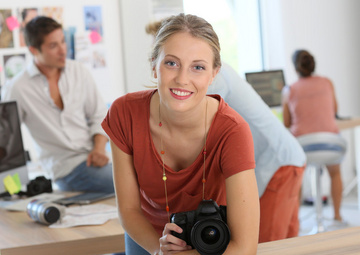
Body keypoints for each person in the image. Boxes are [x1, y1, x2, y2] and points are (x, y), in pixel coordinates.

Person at [102, 14, 259, 255]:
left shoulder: (233, 131)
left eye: (198, 67)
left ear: (214, 74)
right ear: (154, 65)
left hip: (209, 243)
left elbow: (245, 253)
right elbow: (129, 210)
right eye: (172, 63)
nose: (182, 79)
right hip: (147, 234)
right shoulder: (124, 113)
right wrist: (159, 253)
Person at [145, 20, 307, 243]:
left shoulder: (210, 79)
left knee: (265, 246)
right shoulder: (207, 72)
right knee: (285, 246)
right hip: (285, 155)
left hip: (276, 161)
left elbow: (197, 133)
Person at [2, 16, 113, 194]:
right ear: (33, 50)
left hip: (94, 159)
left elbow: (100, 114)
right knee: (129, 184)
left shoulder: (79, 72)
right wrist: (4, 188)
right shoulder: (18, 88)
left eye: (62, 41)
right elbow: (7, 140)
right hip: (65, 168)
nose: (63, 50)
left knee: (142, 174)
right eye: (53, 46)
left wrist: (99, 148)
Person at [282, 49, 345, 224]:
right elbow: (335, 110)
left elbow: (287, 122)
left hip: (304, 148)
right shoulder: (327, 83)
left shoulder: (290, 90)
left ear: (296, 68)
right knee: (335, 172)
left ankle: (296, 221)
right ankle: (337, 216)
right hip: (331, 144)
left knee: (296, 176)